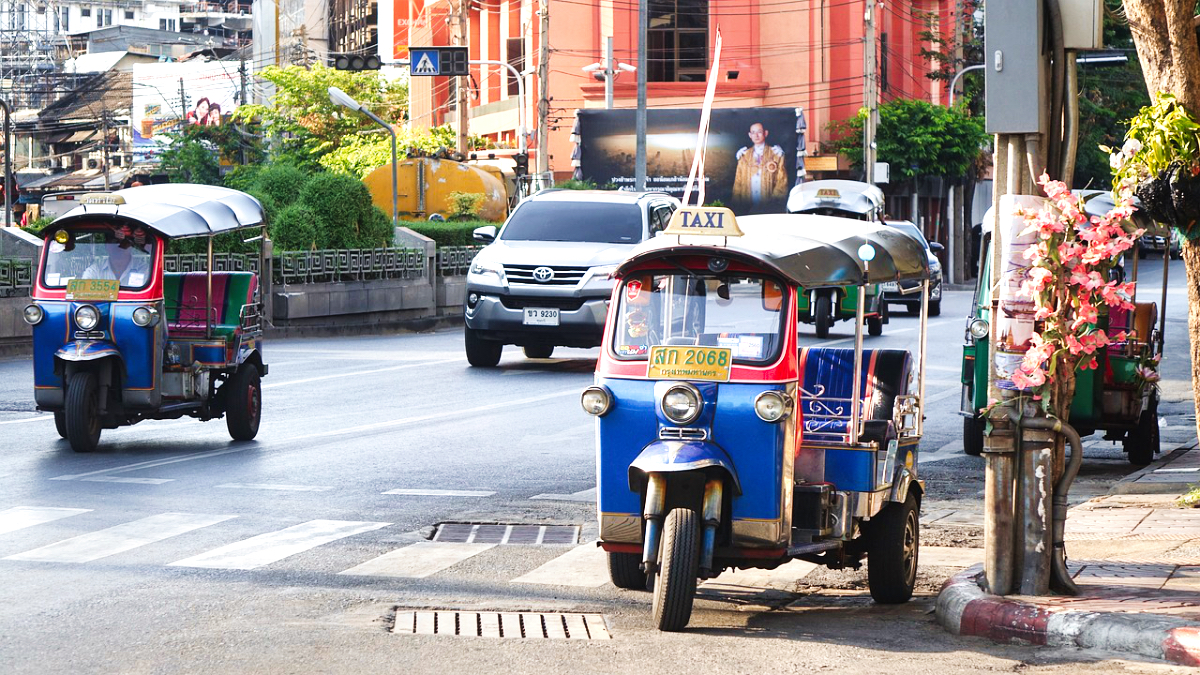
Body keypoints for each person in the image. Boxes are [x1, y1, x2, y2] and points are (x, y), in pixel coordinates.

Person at [732, 122, 789, 213]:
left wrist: (772, 204)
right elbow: (738, 183)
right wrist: (738, 205)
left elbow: (781, 182)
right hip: (747, 206)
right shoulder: (744, 155)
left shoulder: (776, 154)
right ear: (750, 135)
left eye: (759, 132)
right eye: (753, 132)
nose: (756, 135)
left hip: (768, 206)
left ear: (765, 133)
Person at [82, 241, 150, 286]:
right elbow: (84, 288)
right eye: (113, 243)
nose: (118, 247)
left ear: (130, 247)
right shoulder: (96, 269)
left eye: (123, 244)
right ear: (106, 246)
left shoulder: (143, 269)